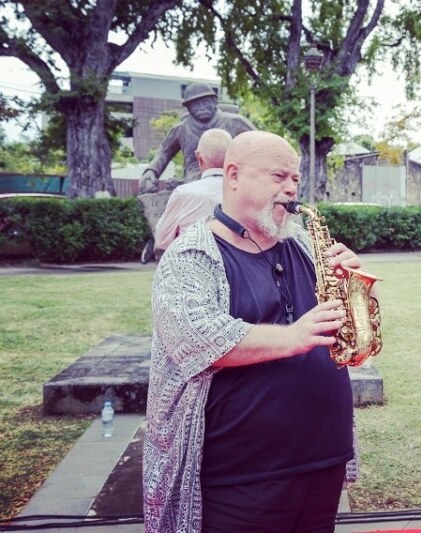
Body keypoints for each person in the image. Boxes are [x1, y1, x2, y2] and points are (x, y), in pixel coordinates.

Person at [143, 130, 361, 533]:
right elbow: (194, 338)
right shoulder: (190, 254)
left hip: (323, 462)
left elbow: (348, 336)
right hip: (241, 481)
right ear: (233, 175)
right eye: (279, 176)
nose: (291, 189)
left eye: (295, 179)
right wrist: (292, 337)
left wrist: (358, 290)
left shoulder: (303, 246)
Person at [138, 82, 255, 193]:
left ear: (214, 102)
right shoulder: (181, 129)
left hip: (232, 181)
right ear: (188, 108)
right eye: (196, 105)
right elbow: (164, 152)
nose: (201, 107)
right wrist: (151, 172)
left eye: (205, 102)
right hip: (192, 184)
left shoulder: (235, 122)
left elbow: (261, 145)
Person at [153, 128, 232, 251]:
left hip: (193, 260)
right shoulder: (245, 194)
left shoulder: (183, 194)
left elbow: (162, 240)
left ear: (198, 157)